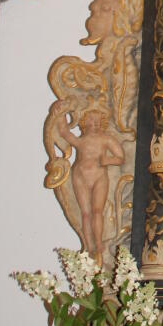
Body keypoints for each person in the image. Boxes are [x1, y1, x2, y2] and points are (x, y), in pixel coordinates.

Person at [58, 105, 125, 262]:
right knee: (86, 213)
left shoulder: (106, 139)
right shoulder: (81, 141)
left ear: (102, 123)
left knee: (96, 211)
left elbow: (120, 157)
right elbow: (64, 132)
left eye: (97, 121)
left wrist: (107, 160)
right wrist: (60, 112)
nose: (94, 123)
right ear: (84, 122)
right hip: (80, 176)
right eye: (91, 120)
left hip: (99, 176)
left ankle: (99, 243)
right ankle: (89, 247)